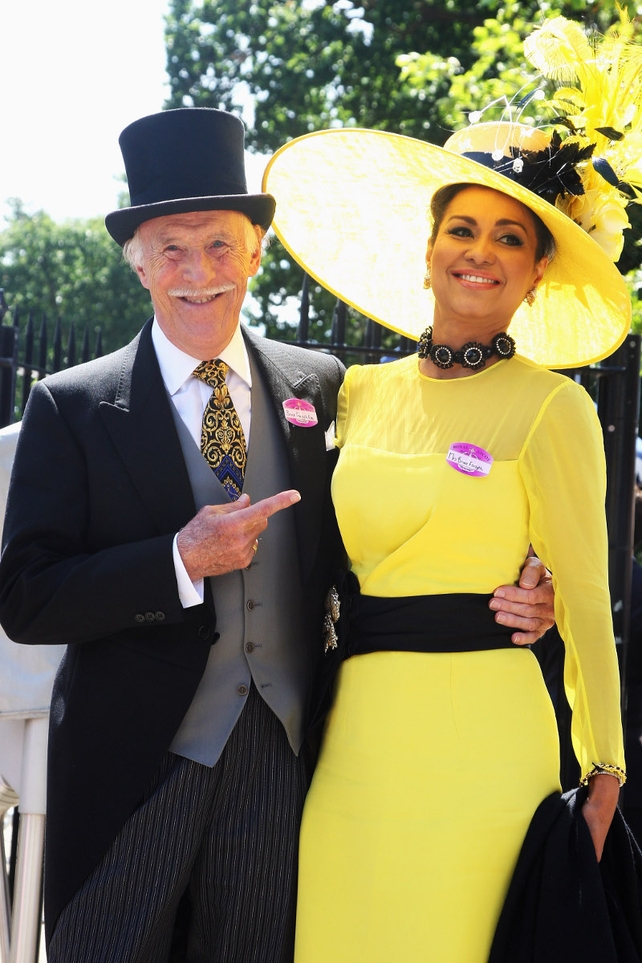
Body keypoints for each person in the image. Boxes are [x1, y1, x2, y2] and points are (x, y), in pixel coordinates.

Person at [0, 108, 553, 963]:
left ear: (257, 252)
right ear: (139, 261)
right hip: (133, 764)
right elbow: (28, 596)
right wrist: (176, 561)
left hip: (280, 758)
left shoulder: (318, 384)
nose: (198, 273)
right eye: (172, 249)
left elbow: (397, 509)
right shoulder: (73, 406)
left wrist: (520, 580)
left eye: (220, 245)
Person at [262, 116, 631, 962]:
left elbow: (582, 601)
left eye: (510, 237)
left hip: (487, 749)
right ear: (428, 250)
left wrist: (605, 770)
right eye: (462, 229)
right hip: (354, 735)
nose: (482, 250)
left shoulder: (554, 406)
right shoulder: (355, 393)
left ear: (538, 273)